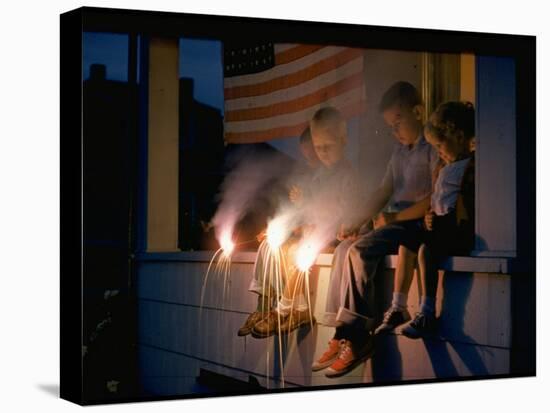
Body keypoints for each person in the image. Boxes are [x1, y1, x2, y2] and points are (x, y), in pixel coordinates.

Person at [313, 81, 438, 378]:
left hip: (414, 226)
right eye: (390, 127)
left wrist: (394, 219)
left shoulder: (432, 148)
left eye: (398, 123)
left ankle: (357, 338)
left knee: (359, 250)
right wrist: (357, 219)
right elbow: (383, 190)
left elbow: (434, 197)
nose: (394, 132)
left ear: (418, 112)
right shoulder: (399, 152)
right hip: (395, 223)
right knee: (344, 248)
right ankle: (341, 332)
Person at [251, 106, 363, 338]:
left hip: (333, 235)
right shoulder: (319, 173)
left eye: (327, 147)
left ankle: (283, 309)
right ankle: (299, 307)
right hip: (314, 231)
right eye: (318, 147)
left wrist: (310, 203)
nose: (322, 153)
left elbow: (343, 210)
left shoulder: (348, 174)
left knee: (299, 250)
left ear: (343, 140)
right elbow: (308, 209)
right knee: (281, 244)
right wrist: (293, 215)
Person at [398, 101, 476, 338]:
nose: (439, 153)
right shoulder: (445, 166)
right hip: (440, 225)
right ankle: (398, 305)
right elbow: (439, 198)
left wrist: (444, 219)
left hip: (456, 228)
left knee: (425, 250)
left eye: (440, 146)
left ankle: (427, 310)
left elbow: (465, 203)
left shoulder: (470, 166)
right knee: (407, 242)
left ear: (460, 137)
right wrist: (430, 215)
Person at [237, 127, 320, 336]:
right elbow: (294, 212)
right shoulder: (305, 176)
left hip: (316, 235)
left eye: (313, 150)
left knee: (293, 252)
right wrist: (276, 227)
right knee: (269, 244)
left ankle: (291, 309)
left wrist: (304, 205)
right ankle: (263, 307)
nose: (309, 157)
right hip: (300, 231)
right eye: (305, 152)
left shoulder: (326, 176)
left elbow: (321, 213)